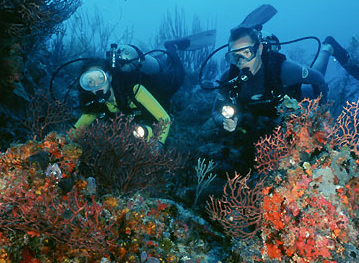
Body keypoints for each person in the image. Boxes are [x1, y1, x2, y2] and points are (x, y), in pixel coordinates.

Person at [211, 26, 332, 175]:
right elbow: (215, 112)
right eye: (235, 56)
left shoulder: (285, 70)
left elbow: (318, 79)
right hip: (262, 116)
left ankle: (327, 49)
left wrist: (322, 113)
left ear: (259, 49)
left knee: (316, 77)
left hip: (293, 102)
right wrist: (225, 122)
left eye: (247, 53)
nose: (241, 61)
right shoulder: (229, 79)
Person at [74, 57, 172, 146]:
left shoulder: (135, 91)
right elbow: (76, 130)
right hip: (132, 136)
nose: (96, 85)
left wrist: (159, 143)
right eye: (89, 81)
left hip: (152, 125)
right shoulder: (95, 104)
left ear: (109, 77)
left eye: (100, 78)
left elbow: (164, 118)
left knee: (174, 77)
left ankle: (170, 53)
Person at [115, 30, 216, 109]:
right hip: (147, 80)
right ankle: (165, 56)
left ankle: (171, 47)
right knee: (169, 70)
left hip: (156, 83)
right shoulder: (116, 78)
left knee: (178, 76)